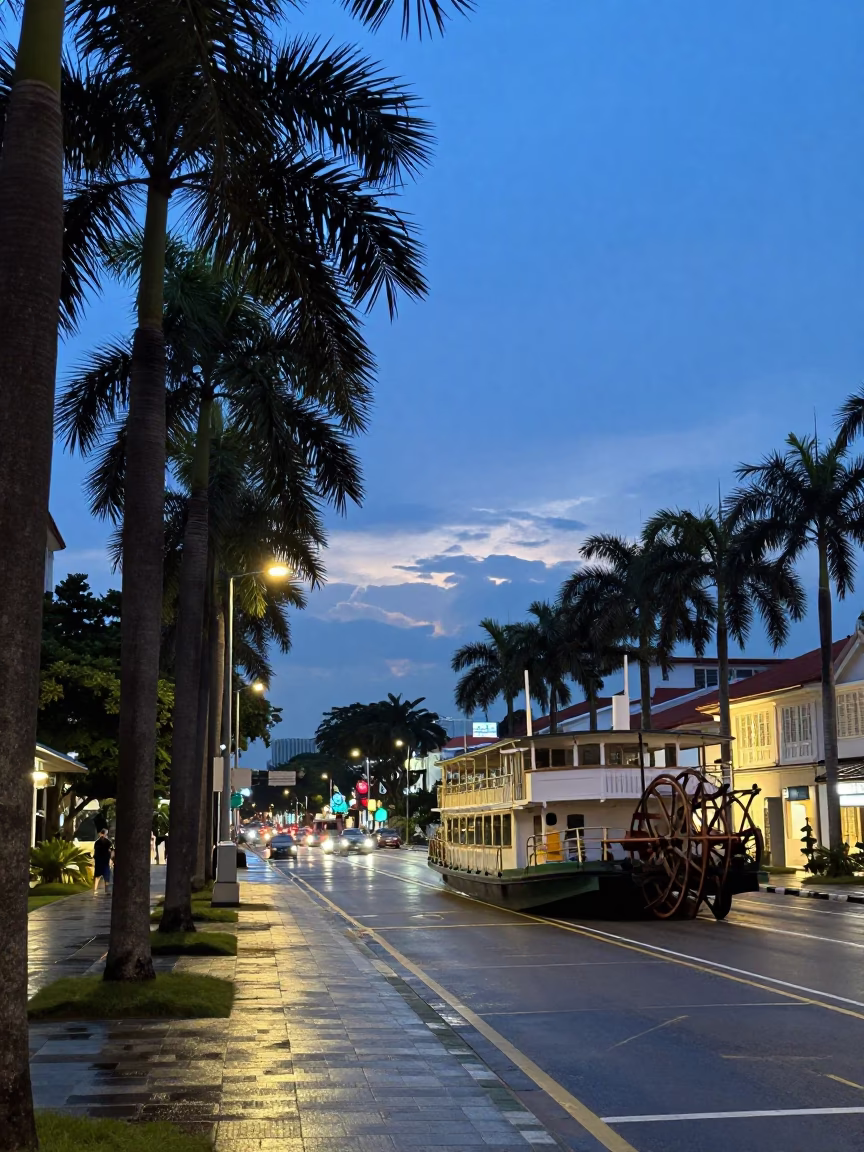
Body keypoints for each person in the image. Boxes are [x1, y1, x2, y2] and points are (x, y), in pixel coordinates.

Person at [92, 828, 113, 895]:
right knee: (101, 875)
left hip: (103, 860)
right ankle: (98, 890)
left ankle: (105, 890)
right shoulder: (99, 842)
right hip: (101, 860)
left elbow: (111, 851)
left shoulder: (107, 842)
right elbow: (111, 851)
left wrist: (110, 860)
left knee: (105, 876)